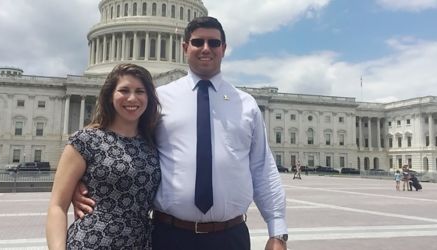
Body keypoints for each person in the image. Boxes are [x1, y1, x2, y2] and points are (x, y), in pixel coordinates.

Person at [72, 16, 288, 250]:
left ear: (224, 49)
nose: (206, 49)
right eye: (198, 42)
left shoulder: (246, 104)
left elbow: (261, 166)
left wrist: (277, 231)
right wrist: (80, 175)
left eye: (214, 43)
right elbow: (117, 137)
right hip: (170, 235)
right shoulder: (157, 100)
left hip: (230, 235)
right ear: (185, 47)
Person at [46, 64, 162, 249]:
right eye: (124, 90)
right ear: (110, 96)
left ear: (148, 98)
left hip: (140, 243)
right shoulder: (85, 140)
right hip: (92, 242)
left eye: (140, 91)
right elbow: (57, 206)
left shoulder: (153, 141)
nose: (132, 98)